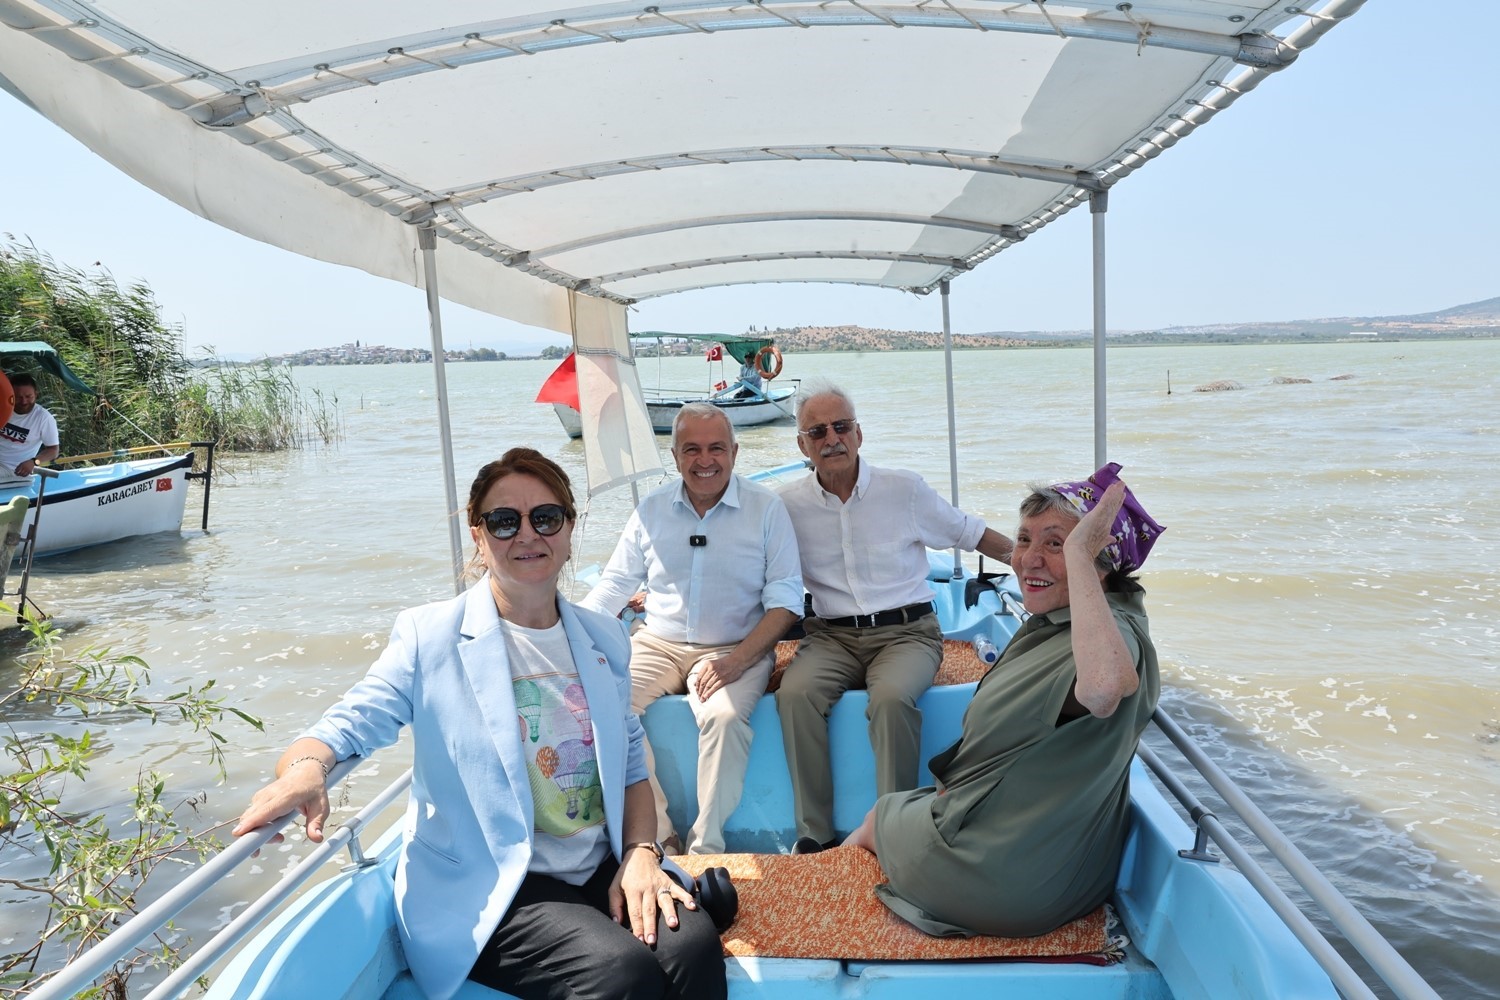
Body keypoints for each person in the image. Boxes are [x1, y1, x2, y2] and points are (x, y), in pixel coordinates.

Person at [233, 448, 726, 1000]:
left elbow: (632, 765)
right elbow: (352, 719)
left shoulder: (602, 636)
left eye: (545, 517)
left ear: (568, 528)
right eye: (503, 521)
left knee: (694, 946)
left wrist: (640, 854)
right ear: (478, 533)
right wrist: (304, 769)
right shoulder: (430, 636)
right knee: (620, 972)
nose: (527, 535)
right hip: (494, 886)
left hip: (598, 865)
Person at [844, 463, 1164, 938]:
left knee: (877, 817)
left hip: (1007, 881)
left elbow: (1101, 689)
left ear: (1103, 563)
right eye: (1024, 540)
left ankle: (822, 894)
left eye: (1056, 544)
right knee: (906, 804)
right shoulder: (1058, 624)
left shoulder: (1112, 637)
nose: (1028, 560)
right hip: (1049, 863)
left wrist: (1077, 555)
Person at [775, 379, 1014, 854]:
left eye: (841, 426)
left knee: (890, 699)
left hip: (907, 632)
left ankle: (892, 828)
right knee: (796, 694)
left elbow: (972, 533)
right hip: (831, 637)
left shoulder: (903, 490)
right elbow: (753, 569)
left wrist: (1042, 565)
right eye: (817, 432)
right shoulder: (785, 506)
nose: (831, 439)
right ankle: (814, 835)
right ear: (802, 445)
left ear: (859, 434)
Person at [582, 403, 803, 855]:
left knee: (722, 717)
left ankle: (706, 847)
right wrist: (567, 630)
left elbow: (786, 603)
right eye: (692, 449)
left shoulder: (766, 510)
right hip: (657, 642)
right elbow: (614, 587)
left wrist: (737, 661)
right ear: (675, 454)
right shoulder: (651, 510)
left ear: (736, 452)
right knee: (606, 704)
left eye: (716, 448)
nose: (705, 461)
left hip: (735, 645)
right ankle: (660, 835)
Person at [0, 374, 61, 484]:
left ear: (36, 395)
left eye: (29, 397)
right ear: (10, 395)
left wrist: (34, 462)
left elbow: (53, 451)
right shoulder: (2, 408)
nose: (24, 402)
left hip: (13, 470)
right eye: (18, 397)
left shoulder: (44, 418)